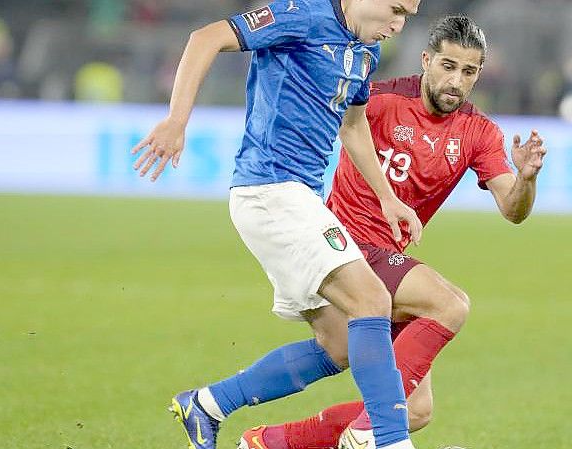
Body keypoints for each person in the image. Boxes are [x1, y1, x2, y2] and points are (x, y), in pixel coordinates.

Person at [237, 15, 547, 449]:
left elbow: (512, 210)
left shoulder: (479, 132)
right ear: (426, 60)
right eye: (447, 65)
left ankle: (268, 441)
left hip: (390, 259)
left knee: (415, 410)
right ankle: (370, 435)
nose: (456, 80)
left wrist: (526, 178)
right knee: (450, 303)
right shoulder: (379, 100)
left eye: (468, 71)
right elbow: (341, 126)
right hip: (346, 244)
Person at [130, 1, 424, 449]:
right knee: (372, 300)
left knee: (340, 345)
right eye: (396, 9)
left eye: (409, 15)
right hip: (270, 191)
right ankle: (389, 440)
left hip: (298, 198)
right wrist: (176, 120)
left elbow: (354, 125)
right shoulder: (300, 14)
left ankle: (207, 405)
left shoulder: (365, 51)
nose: (400, 25)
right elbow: (205, 38)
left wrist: (387, 198)